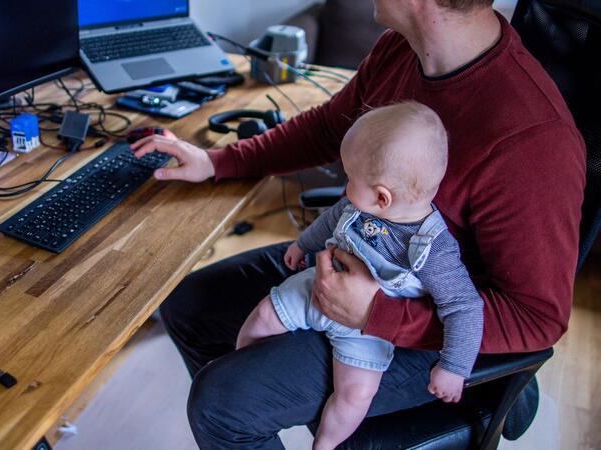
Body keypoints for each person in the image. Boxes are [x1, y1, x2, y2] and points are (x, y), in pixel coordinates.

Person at [131, 0, 586, 448]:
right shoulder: (399, 51)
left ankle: (253, 411)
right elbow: (329, 129)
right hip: (360, 255)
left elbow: (537, 319)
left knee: (223, 404)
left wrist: (378, 314)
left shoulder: (533, 140)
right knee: (189, 303)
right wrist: (217, 161)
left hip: (435, 318)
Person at [236, 102, 483, 450]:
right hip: (319, 287)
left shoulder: (432, 250)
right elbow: (330, 218)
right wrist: (303, 244)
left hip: (367, 331)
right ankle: (240, 365)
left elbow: (463, 306)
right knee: (263, 315)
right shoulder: (359, 205)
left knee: (355, 394)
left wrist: (454, 367)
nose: (346, 186)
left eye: (350, 179)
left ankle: (325, 444)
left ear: (382, 197)